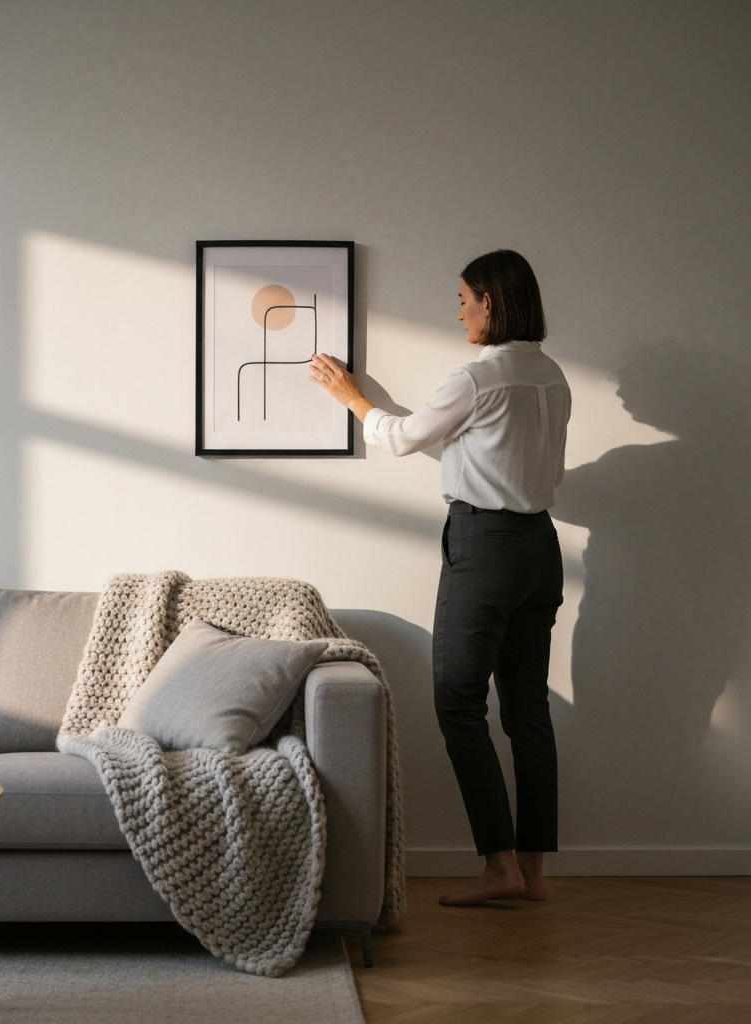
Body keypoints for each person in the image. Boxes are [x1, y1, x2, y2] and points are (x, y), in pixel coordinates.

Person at [309, 250, 570, 906]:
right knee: (528, 709)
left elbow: (398, 438)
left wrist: (352, 398)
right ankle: (532, 873)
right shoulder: (553, 376)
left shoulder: (477, 378)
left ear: (491, 302)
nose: (458, 312)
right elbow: (472, 444)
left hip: (485, 547)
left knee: (458, 701)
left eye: (464, 299)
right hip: (540, 547)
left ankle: (498, 865)